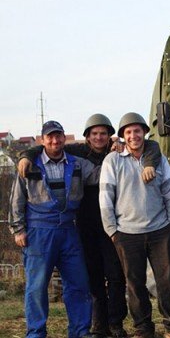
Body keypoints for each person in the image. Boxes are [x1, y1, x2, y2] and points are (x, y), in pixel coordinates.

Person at [17, 114, 162, 338]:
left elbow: (148, 146)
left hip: (111, 225)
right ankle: (93, 326)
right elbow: (44, 153)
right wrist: (26, 154)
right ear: (86, 137)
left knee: (112, 277)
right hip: (79, 227)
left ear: (110, 135)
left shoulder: (113, 155)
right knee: (83, 280)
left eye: (103, 133)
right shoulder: (74, 155)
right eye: (94, 133)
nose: (99, 137)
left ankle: (109, 325)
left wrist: (124, 149)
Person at [9, 120, 98, 338]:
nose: (55, 140)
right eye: (50, 136)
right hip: (39, 233)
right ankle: (36, 332)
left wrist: (118, 154)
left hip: (69, 230)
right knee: (37, 287)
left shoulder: (77, 164)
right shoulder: (29, 164)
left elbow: (100, 174)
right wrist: (18, 229)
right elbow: (16, 199)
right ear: (42, 140)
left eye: (58, 136)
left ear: (64, 138)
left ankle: (80, 331)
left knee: (78, 284)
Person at [99, 112, 170, 338]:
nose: (133, 135)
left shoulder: (158, 158)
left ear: (144, 132)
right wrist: (112, 230)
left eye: (137, 130)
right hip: (126, 232)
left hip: (160, 230)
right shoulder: (112, 161)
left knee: (167, 282)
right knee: (135, 285)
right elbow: (105, 197)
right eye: (128, 132)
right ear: (123, 136)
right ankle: (143, 329)